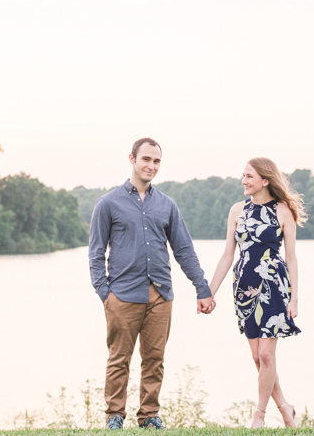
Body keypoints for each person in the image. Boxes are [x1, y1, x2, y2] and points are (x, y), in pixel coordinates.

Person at [89, 138, 216, 430]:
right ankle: (114, 416)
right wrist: (105, 294)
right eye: (146, 159)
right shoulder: (108, 203)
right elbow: (96, 253)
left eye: (157, 161)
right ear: (132, 159)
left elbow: (184, 250)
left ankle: (149, 415)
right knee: (119, 359)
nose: (151, 166)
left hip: (161, 295)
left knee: (155, 359)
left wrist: (202, 286)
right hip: (122, 295)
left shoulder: (167, 205)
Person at [208, 157, 306, 428]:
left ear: (265, 180)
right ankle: (287, 408)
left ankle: (259, 415)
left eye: (249, 176)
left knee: (266, 355)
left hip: (274, 286)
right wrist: (209, 292)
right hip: (245, 288)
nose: (244, 181)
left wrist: (294, 298)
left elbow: (292, 258)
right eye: (243, 175)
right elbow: (228, 255)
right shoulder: (237, 210)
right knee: (257, 356)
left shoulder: (283, 211)